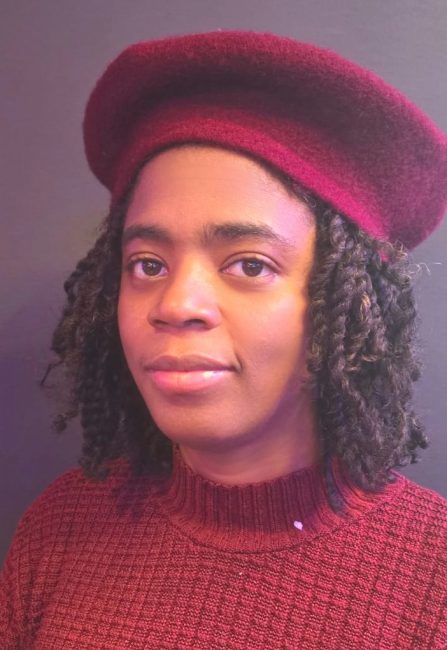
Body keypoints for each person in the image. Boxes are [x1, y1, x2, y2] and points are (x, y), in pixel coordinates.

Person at [1, 30, 446, 649]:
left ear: (350, 307)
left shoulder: (431, 581)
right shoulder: (58, 530)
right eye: (148, 264)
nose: (176, 304)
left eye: (250, 265)